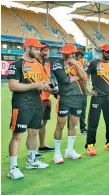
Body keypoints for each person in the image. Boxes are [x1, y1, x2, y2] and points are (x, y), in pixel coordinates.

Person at [7, 38, 50, 180]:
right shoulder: (16, 64)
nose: (39, 51)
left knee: (34, 132)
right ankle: (12, 168)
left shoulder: (38, 64)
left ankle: (31, 161)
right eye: (37, 49)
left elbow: (43, 82)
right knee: (18, 135)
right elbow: (13, 86)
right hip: (21, 104)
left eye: (40, 49)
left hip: (36, 104)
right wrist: (35, 85)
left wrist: (48, 86)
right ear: (27, 48)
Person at [52, 44, 88, 164]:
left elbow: (85, 77)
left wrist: (77, 65)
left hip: (77, 98)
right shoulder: (58, 64)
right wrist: (79, 76)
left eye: (74, 53)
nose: (73, 55)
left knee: (73, 125)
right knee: (60, 125)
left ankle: (69, 150)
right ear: (65, 54)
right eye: (71, 53)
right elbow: (64, 80)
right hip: (65, 97)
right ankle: (57, 153)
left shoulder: (77, 63)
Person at [85, 44, 109, 156]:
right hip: (97, 97)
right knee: (93, 122)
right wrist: (86, 91)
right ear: (102, 52)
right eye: (107, 52)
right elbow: (84, 76)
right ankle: (90, 145)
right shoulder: (93, 63)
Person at [37, 43, 55, 157]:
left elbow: (46, 80)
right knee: (35, 125)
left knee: (43, 123)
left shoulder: (47, 65)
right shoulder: (34, 64)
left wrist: (52, 87)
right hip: (38, 99)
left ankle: (42, 145)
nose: (46, 52)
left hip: (47, 98)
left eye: (47, 50)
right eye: (43, 50)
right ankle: (32, 151)